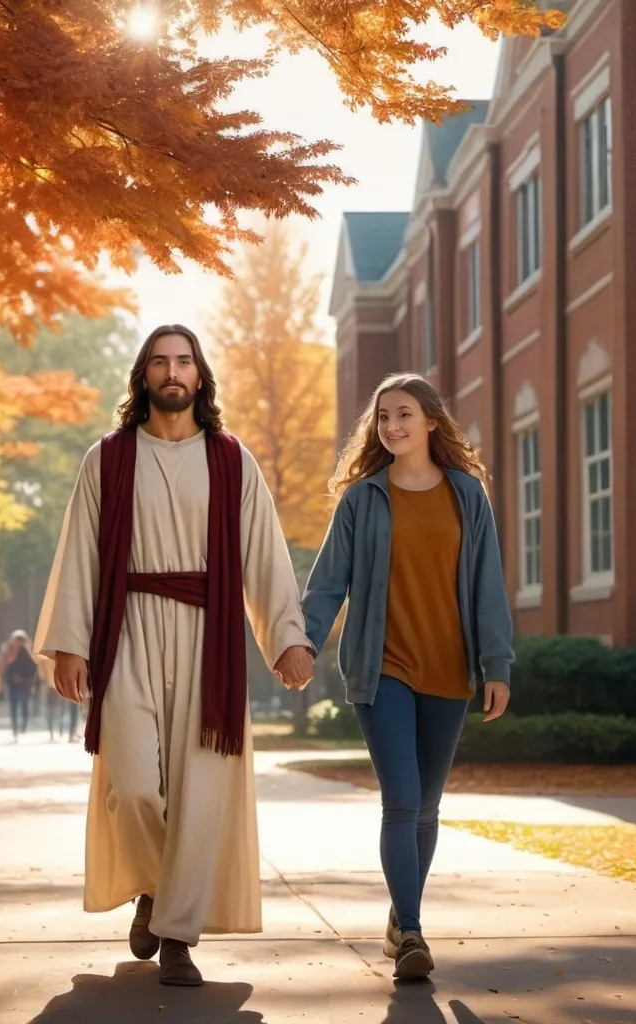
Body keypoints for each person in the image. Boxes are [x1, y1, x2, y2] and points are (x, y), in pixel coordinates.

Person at [35, 324, 313, 987]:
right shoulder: (107, 457)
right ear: (143, 376)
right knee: (132, 787)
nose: (172, 371)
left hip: (205, 636)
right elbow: (81, 552)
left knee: (198, 792)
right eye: (160, 360)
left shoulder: (231, 459)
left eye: (183, 360)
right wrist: (71, 642)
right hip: (127, 628)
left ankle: (178, 936)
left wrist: (287, 636)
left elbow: (264, 553)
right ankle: (156, 891)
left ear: (200, 375)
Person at [301, 372, 513, 982]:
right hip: (382, 667)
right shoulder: (362, 500)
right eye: (383, 417)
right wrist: (303, 644)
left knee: (426, 807)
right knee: (402, 798)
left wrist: (496, 664)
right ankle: (414, 934)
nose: (391, 426)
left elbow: (487, 587)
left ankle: (401, 916)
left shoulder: (467, 495)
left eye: (403, 415)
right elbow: (326, 585)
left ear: (430, 422)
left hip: (450, 667)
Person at [3, 630, 37, 742]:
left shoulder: (28, 652)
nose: (18, 643)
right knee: (13, 707)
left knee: (24, 706)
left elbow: (33, 667)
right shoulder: (9, 651)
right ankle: (14, 729)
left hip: (24, 683)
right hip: (12, 683)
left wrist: (26, 678)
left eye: (20, 640)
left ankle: (23, 727)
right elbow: (6, 667)